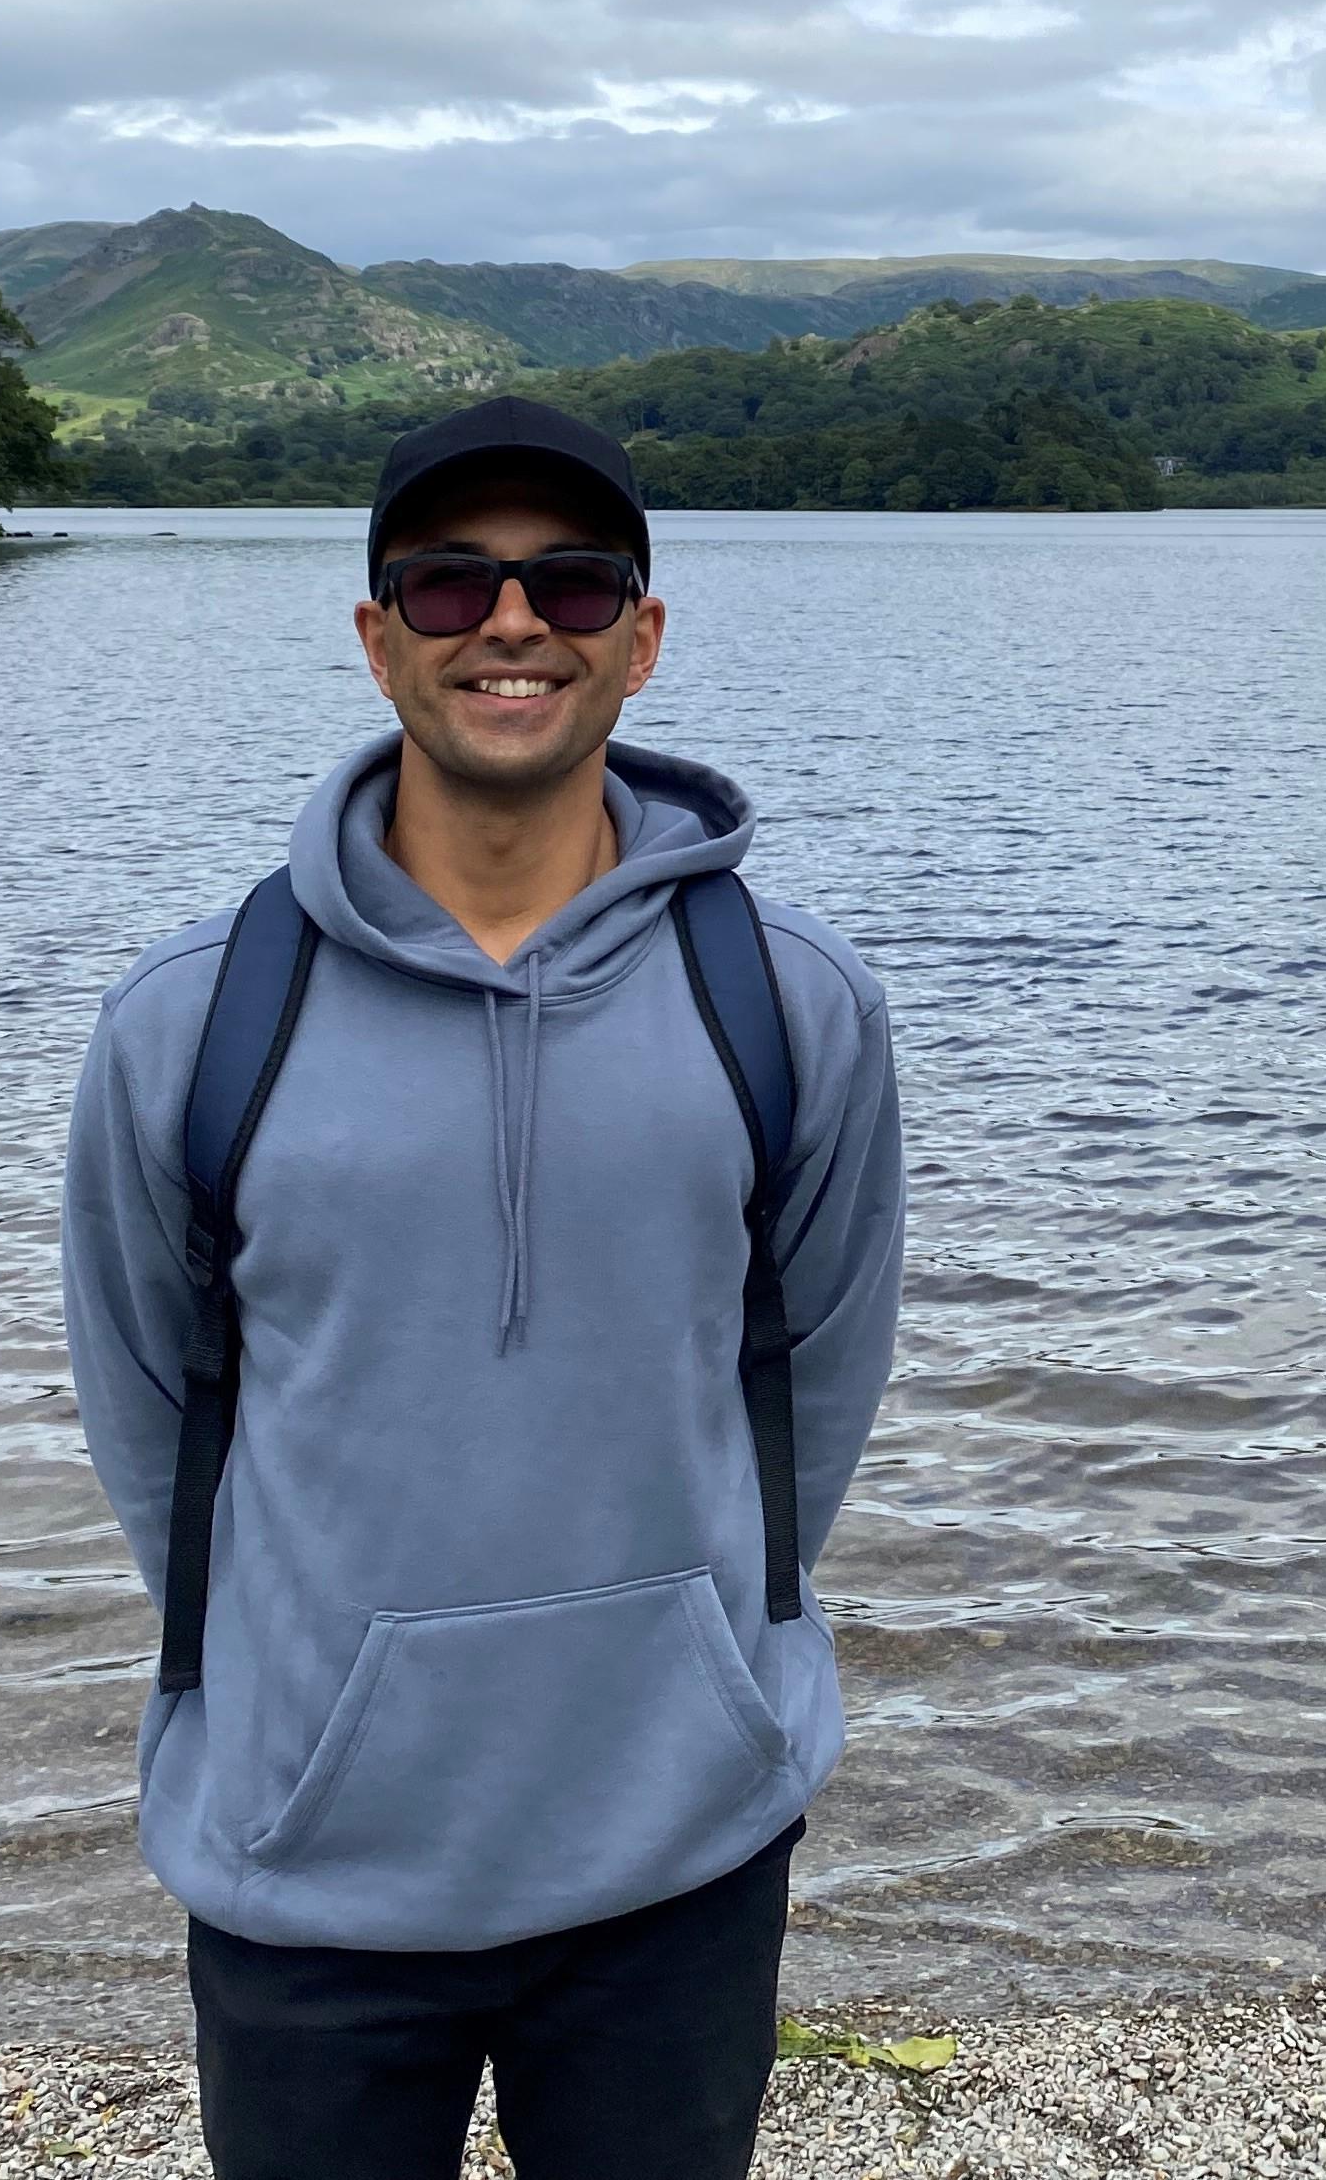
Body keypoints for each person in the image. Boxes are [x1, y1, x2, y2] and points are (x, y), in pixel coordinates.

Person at [61, 395, 908, 2180]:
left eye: (571, 581)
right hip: (309, 1865)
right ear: (378, 640)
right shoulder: (192, 1022)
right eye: (450, 587)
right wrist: (309, 1692)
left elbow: (812, 1390)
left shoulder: (795, 1006)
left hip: (677, 1849)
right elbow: (159, 1416)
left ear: (642, 638)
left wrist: (708, 1666)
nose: (512, 624)